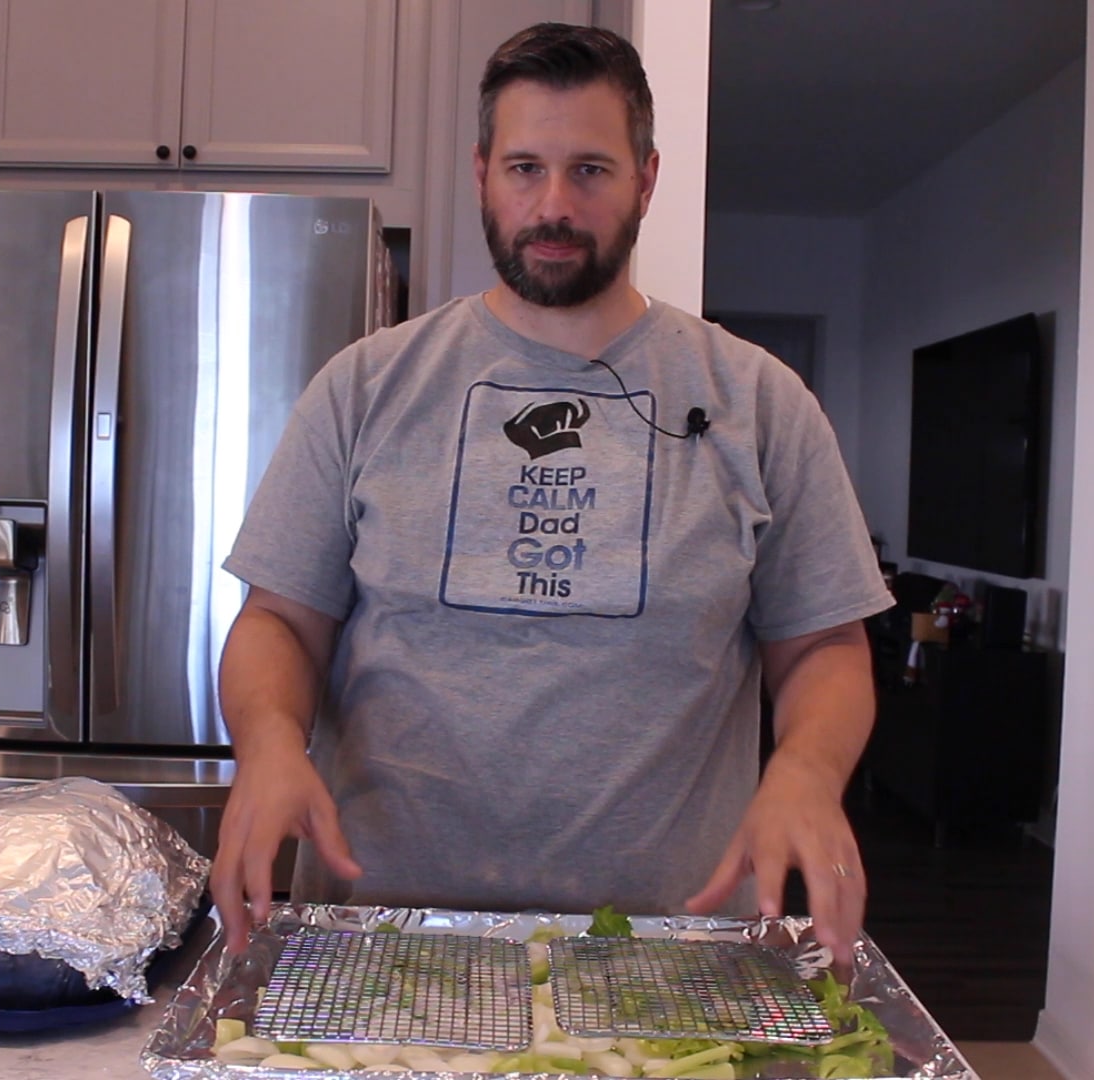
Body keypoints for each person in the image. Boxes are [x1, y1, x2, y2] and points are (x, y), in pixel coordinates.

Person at [208, 22, 892, 952]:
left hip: (665, 953)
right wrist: (269, 747)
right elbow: (279, 623)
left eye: (592, 171)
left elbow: (826, 648)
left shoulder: (759, 401)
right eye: (526, 167)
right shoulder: (367, 386)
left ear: (647, 178)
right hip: (380, 942)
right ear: (483, 171)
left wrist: (808, 770)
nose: (555, 204)